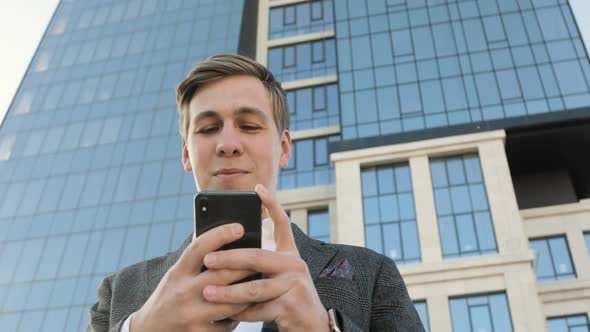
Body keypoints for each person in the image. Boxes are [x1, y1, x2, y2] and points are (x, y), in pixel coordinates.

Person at [87, 54, 424, 332]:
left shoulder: (372, 272)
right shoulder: (119, 291)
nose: (228, 144)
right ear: (187, 154)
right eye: (207, 129)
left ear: (283, 148)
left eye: (249, 126)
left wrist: (323, 329)